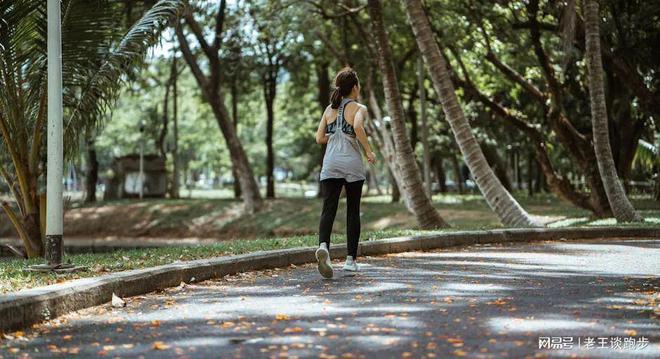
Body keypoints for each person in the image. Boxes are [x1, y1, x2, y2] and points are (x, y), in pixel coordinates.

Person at [314, 67, 376, 279]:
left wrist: (333, 137)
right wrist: (368, 150)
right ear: (355, 87)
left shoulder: (329, 109)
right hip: (352, 163)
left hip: (331, 163)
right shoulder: (359, 108)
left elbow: (319, 138)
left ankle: (324, 247)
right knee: (352, 210)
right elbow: (358, 127)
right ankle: (350, 261)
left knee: (328, 208)